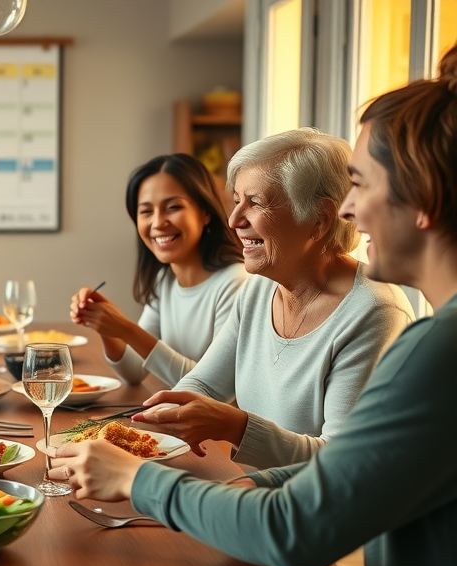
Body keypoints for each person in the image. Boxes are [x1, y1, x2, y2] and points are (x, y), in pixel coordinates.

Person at [49, 44, 457, 566]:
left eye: (360, 183)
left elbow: (299, 526)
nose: (352, 211)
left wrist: (137, 480)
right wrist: (246, 485)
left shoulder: (423, 342)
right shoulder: (262, 293)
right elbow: (346, 472)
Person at [126, 129, 414, 469]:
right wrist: (144, 428)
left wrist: (235, 426)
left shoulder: (374, 312)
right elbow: (204, 383)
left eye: (255, 203)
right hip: (259, 495)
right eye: (236, 202)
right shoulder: (259, 289)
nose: (234, 221)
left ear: (319, 220)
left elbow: (341, 460)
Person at [70, 153, 248, 387]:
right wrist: (106, 326)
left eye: (172, 207)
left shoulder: (235, 282)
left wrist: (128, 329)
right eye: (146, 211)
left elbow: (213, 387)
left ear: (205, 212)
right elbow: (134, 372)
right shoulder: (165, 280)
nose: (157, 223)